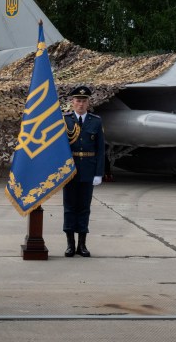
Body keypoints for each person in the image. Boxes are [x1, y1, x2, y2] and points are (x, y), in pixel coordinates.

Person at [61, 85, 106, 257]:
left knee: (84, 207)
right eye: (78, 100)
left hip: (88, 169)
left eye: (84, 101)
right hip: (70, 169)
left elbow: (100, 149)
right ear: (72, 102)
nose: (81, 104)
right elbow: (59, 148)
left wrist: (98, 173)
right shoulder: (65, 120)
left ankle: (82, 244)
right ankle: (70, 245)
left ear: (88, 103)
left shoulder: (96, 121)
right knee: (69, 207)